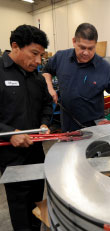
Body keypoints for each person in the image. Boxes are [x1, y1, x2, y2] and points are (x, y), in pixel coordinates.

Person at [0, 25, 52, 231]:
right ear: (15, 46)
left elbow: (48, 104)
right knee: (20, 209)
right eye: (34, 54)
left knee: (36, 204)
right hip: (11, 159)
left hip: (37, 155)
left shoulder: (36, 78)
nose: (38, 61)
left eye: (41, 55)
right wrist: (9, 132)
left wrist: (45, 123)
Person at [43, 22, 110, 132]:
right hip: (67, 127)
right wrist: (49, 88)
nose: (86, 52)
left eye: (91, 48)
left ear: (95, 45)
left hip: (94, 128)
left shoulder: (104, 67)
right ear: (74, 41)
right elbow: (46, 71)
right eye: (82, 47)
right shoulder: (61, 57)